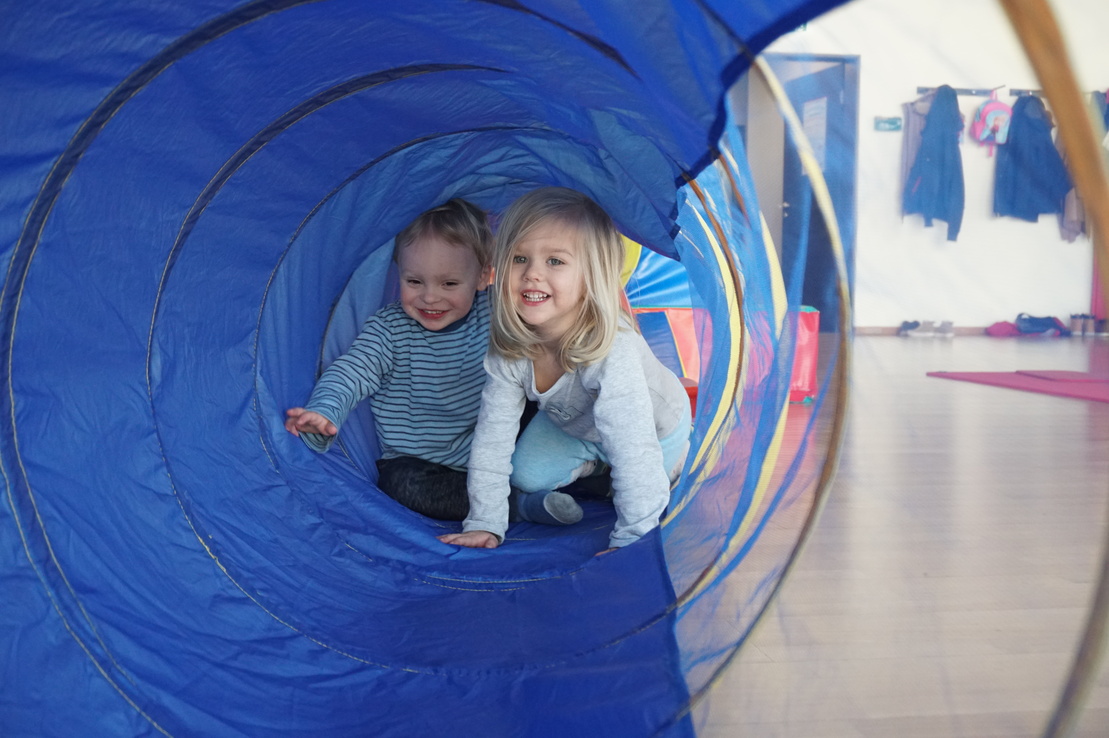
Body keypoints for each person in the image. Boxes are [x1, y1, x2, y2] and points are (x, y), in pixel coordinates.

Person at [438, 187, 691, 551]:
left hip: (652, 428)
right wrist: (485, 522)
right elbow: (492, 439)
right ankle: (596, 470)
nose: (532, 275)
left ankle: (671, 458)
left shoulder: (610, 349)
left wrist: (632, 539)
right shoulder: (512, 348)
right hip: (578, 426)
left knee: (642, 474)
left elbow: (633, 447)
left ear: (591, 276)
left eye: (555, 261)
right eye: (519, 259)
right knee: (526, 474)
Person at [285, 198, 493, 520]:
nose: (429, 296)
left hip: (495, 452)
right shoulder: (390, 330)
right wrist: (323, 414)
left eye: (449, 283)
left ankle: (574, 475)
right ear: (398, 273)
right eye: (414, 281)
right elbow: (350, 373)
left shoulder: (494, 314)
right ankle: (520, 504)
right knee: (399, 486)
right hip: (423, 465)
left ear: (482, 277)